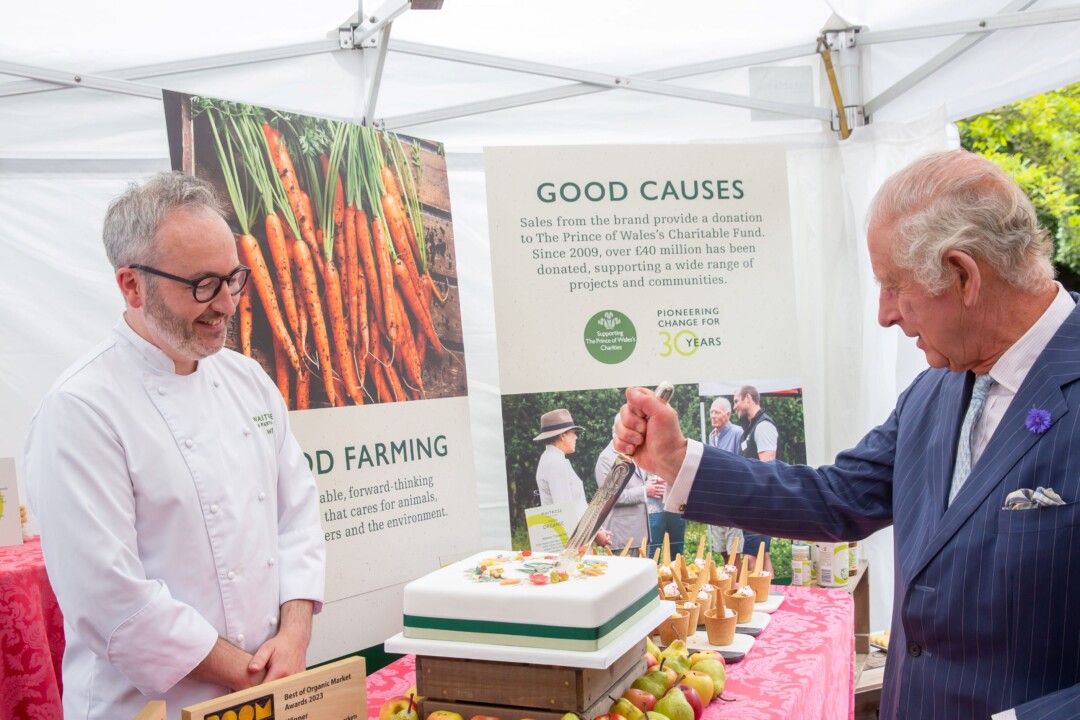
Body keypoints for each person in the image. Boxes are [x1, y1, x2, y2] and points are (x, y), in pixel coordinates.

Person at [614, 150, 1080, 719]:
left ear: (963, 275)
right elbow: (835, 497)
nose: (884, 314)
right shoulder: (936, 388)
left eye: (893, 285)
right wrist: (676, 458)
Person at [24, 172, 326, 720]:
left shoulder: (249, 380)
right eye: (202, 285)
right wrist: (254, 676)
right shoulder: (81, 408)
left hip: (268, 690)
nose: (227, 304)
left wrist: (295, 636)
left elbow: (297, 518)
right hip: (153, 705)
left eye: (233, 278)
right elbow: (111, 600)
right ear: (132, 286)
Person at [533, 408, 610, 546]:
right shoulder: (555, 463)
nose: (576, 437)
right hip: (569, 542)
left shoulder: (552, 459)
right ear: (562, 435)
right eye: (573, 433)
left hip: (573, 537)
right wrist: (595, 534)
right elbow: (565, 511)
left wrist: (595, 529)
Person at [595, 415, 665, 554]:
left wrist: (652, 484)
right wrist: (645, 491)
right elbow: (611, 496)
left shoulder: (633, 452)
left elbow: (637, 483)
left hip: (642, 535)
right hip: (623, 537)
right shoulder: (606, 459)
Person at [733, 385, 778, 572]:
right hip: (751, 503)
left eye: (736, 401)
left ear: (748, 398)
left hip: (758, 504)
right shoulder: (750, 429)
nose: (734, 407)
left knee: (751, 559)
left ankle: (754, 591)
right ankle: (769, 590)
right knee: (762, 555)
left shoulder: (764, 426)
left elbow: (766, 470)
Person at [703, 397, 745, 560]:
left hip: (732, 499)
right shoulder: (712, 435)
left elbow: (743, 464)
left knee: (734, 549)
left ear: (728, 415)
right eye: (711, 412)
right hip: (716, 501)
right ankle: (728, 574)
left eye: (717, 412)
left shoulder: (737, 432)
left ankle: (737, 576)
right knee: (721, 548)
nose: (713, 416)